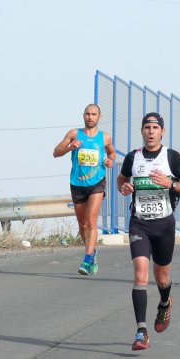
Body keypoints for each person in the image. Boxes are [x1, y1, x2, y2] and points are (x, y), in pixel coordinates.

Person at [117, 112, 180, 351]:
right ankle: (141, 331)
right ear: (142, 131)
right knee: (141, 275)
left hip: (164, 225)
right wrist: (125, 186)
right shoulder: (133, 157)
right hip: (139, 223)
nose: (151, 131)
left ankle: (164, 303)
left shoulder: (171, 157)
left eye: (155, 127)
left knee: (162, 277)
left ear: (162, 132)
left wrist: (170, 183)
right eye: (147, 127)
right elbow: (121, 179)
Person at [53, 103, 116, 275]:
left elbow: (112, 153)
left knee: (91, 220)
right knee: (82, 224)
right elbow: (56, 152)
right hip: (77, 183)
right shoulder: (74, 134)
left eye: (94, 114)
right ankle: (92, 253)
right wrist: (70, 147)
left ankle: (87, 258)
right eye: (87, 114)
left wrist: (109, 160)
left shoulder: (105, 137)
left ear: (99, 117)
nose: (90, 117)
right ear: (83, 116)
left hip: (97, 182)